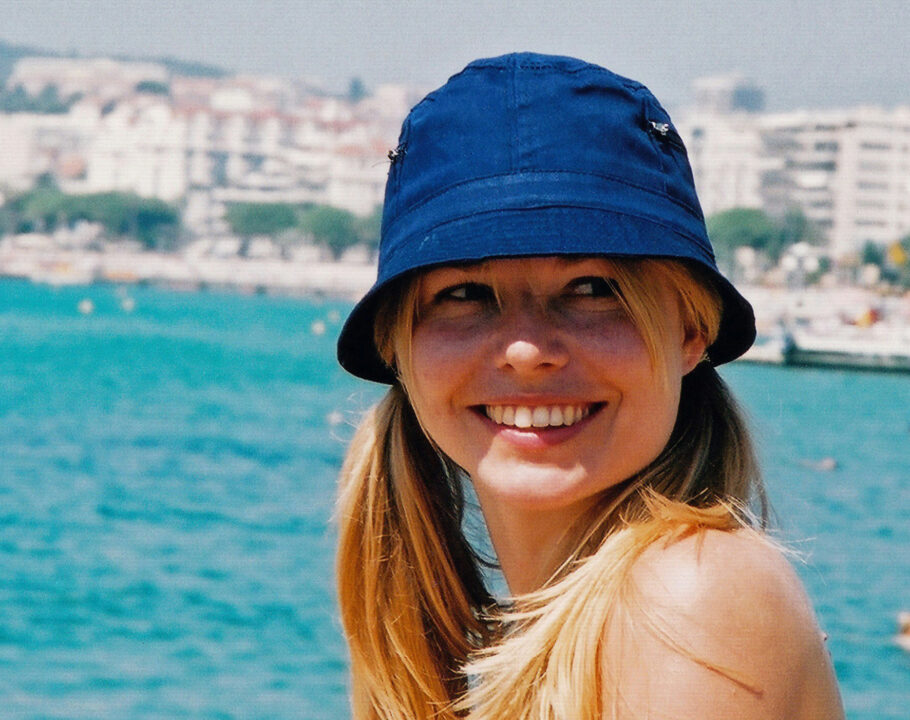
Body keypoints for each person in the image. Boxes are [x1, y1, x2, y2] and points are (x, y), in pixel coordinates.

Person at [335, 52, 844, 720]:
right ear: (395, 347)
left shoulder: (690, 598)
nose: (525, 350)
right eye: (464, 293)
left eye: (593, 289)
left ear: (692, 329)